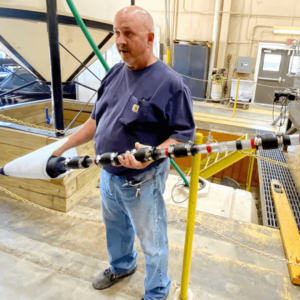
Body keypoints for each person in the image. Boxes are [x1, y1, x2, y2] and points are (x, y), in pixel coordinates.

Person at [52, 6, 195, 300]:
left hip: (142, 181)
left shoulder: (171, 84)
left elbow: (183, 136)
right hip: (108, 174)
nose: (120, 41)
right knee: (115, 228)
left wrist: (155, 152)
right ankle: (122, 266)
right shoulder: (116, 72)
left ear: (150, 37)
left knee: (152, 239)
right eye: (117, 32)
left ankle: (156, 291)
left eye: (128, 33)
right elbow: (95, 121)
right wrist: (62, 146)